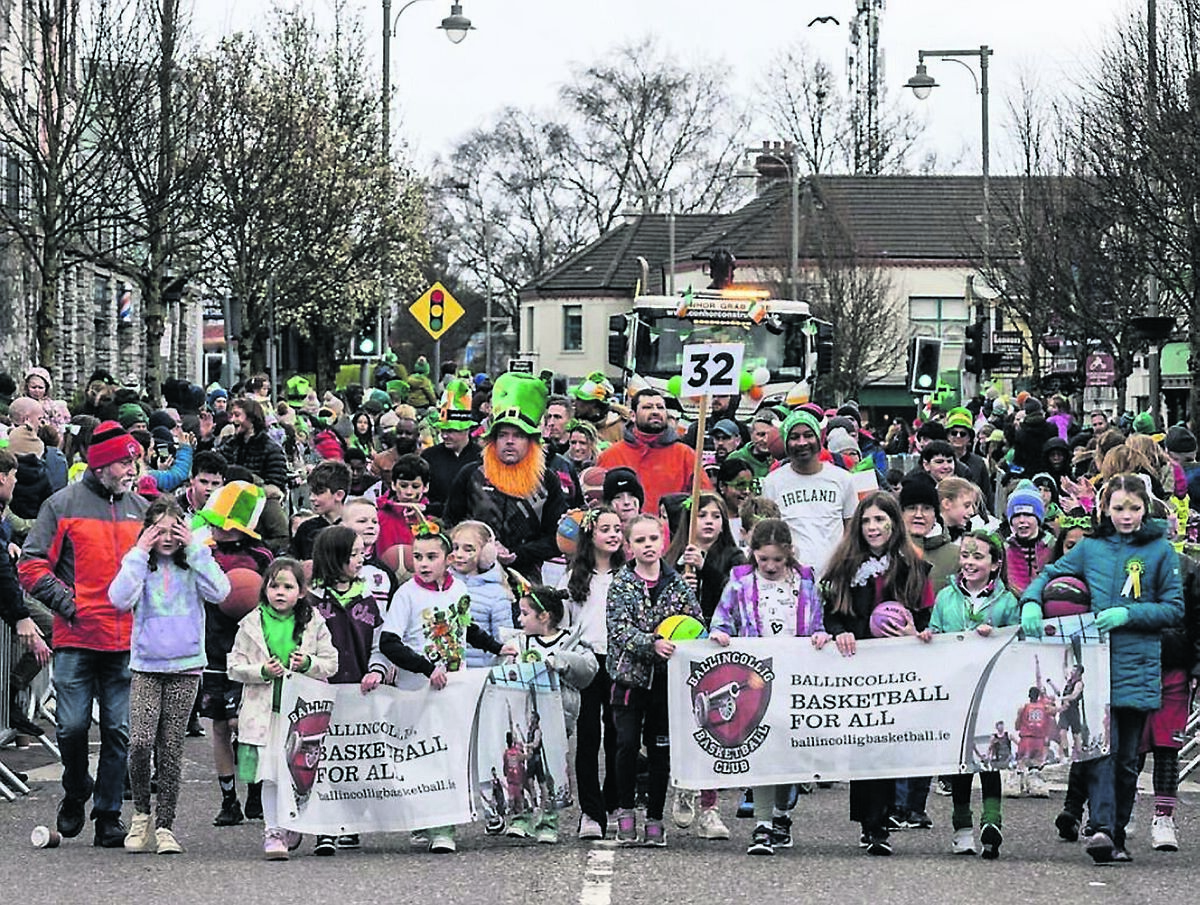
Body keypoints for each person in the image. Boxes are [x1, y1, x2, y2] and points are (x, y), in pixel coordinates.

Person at [1021, 473, 1184, 864]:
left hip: (1138, 664)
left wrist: (1128, 613)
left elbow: (1174, 608)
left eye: (1133, 508)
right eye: (1118, 508)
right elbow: (1048, 573)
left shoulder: (1160, 551)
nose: (1125, 516)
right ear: (1104, 509)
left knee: (1128, 758)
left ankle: (1117, 832)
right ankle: (1103, 830)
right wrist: (1030, 600)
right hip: (1094, 663)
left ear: (1146, 508)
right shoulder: (1091, 548)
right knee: (1099, 752)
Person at [18, 420, 149, 847]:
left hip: (127, 641)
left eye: (133, 461)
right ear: (101, 465)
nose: (132, 468)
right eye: (125, 461)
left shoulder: (141, 509)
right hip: (76, 638)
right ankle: (76, 790)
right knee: (72, 728)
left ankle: (107, 814)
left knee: (118, 731)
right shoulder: (61, 505)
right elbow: (32, 566)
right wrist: (70, 605)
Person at [372, 519, 515, 853]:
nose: (423, 564)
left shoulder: (458, 590)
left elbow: (467, 629)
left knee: (449, 754)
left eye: (431, 557)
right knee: (421, 757)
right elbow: (390, 643)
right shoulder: (406, 595)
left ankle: (443, 827)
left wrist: (497, 647)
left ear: (447, 560)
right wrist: (426, 669)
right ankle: (424, 821)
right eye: (418, 557)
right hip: (417, 689)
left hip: (452, 688)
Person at [108, 497, 231, 855]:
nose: (166, 537)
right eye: (158, 529)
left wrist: (195, 549)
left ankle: (165, 825)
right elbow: (118, 598)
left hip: (186, 666)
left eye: (173, 529)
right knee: (141, 741)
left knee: (171, 748)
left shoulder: (194, 563)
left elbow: (221, 592)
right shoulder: (140, 566)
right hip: (147, 666)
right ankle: (142, 813)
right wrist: (137, 552)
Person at [709, 518, 830, 856]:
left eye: (778, 559)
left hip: (797, 674)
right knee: (763, 750)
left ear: (789, 554)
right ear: (753, 555)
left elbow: (816, 621)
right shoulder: (740, 582)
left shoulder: (805, 581)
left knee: (789, 750)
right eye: (764, 560)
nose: (771, 566)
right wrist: (720, 633)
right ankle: (762, 825)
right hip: (756, 677)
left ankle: (781, 815)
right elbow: (722, 617)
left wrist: (819, 635)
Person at [821, 491, 933, 856]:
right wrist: (841, 632)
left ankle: (882, 820)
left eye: (880, 520)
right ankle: (870, 822)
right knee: (864, 741)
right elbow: (832, 613)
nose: (873, 527)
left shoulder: (915, 566)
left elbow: (927, 615)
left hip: (898, 664)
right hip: (858, 663)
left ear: (893, 524)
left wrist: (913, 630)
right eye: (866, 520)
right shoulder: (845, 566)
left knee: (888, 741)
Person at [226, 559, 338, 860]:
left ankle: (294, 821)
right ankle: (273, 832)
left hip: (302, 715)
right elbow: (234, 666)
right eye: (274, 585)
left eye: (288, 586)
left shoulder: (314, 621)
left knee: (299, 772)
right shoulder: (250, 623)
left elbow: (331, 661)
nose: (280, 592)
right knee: (271, 773)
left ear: (301, 592)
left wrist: (309, 664)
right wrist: (261, 670)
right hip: (266, 714)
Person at [607, 513, 701, 848]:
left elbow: (694, 623)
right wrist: (651, 643)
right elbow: (618, 629)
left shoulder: (677, 583)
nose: (648, 546)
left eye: (653, 539)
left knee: (661, 749)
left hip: (666, 681)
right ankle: (625, 810)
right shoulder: (621, 583)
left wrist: (694, 639)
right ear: (629, 547)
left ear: (663, 542)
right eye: (640, 541)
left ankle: (656, 817)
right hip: (631, 679)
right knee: (627, 745)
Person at [928, 529, 1019, 858]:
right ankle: (962, 826)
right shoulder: (945, 597)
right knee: (961, 763)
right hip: (956, 693)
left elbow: (1018, 641)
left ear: (995, 565)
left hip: (993, 691)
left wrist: (996, 635)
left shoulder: (1008, 601)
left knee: (991, 758)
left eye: (977, 557)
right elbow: (936, 631)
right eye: (965, 555)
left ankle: (991, 823)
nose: (968, 562)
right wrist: (929, 637)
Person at [194, 480, 274, 827]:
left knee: (247, 723)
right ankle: (229, 799)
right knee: (220, 727)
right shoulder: (201, 552)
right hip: (212, 649)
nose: (214, 525)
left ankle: (254, 789)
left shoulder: (262, 557)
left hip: (252, 651)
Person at [304, 525, 384, 854]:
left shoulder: (367, 598)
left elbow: (380, 641)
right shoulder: (309, 601)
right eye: (353, 554)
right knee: (323, 759)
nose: (360, 559)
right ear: (333, 558)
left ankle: (352, 821)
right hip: (323, 693)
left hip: (358, 691)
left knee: (356, 758)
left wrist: (377, 670)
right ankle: (325, 827)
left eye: (362, 552)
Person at [446, 372, 567, 578]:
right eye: (503, 435)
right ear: (493, 440)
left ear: (531, 442)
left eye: (518, 435)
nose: (509, 441)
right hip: (470, 576)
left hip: (525, 577)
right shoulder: (471, 474)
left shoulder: (547, 481)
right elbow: (450, 523)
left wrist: (517, 554)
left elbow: (555, 539)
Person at [506, 581, 598, 844]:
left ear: (544, 616)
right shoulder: (519, 643)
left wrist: (561, 662)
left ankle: (549, 821)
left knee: (551, 769)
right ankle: (520, 817)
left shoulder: (571, 641)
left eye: (525, 613)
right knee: (520, 769)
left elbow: (588, 670)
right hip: (522, 720)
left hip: (558, 718)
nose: (519, 618)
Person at [561, 506, 625, 839]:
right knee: (588, 736)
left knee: (618, 734)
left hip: (621, 660)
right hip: (586, 662)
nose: (613, 534)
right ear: (591, 534)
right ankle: (590, 812)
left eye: (618, 528)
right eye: (605, 529)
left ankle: (612, 803)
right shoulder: (574, 576)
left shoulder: (629, 575)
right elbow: (563, 620)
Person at [761, 409, 857, 577]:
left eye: (808, 435)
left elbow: (851, 529)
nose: (802, 442)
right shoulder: (772, 482)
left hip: (835, 578)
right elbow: (769, 535)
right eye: (794, 437)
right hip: (789, 579)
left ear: (818, 439)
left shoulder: (843, 479)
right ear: (785, 442)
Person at [597, 388, 710, 512]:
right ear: (632, 415)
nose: (655, 411)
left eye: (660, 407)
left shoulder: (686, 455)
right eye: (648, 407)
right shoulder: (610, 456)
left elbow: (705, 499)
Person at [450, 520, 514, 668]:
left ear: (487, 553)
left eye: (468, 549)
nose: (459, 554)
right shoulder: (441, 586)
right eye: (455, 548)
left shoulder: (497, 594)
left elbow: (504, 640)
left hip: (478, 676)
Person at [215, 398, 289, 492]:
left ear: (252, 418)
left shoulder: (272, 450)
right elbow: (213, 467)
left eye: (237, 415)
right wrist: (206, 438)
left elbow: (276, 488)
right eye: (232, 415)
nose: (232, 420)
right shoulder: (230, 444)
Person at [290, 460, 351, 560]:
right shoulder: (306, 529)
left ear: (339, 495)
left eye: (318, 493)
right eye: (311, 493)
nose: (311, 498)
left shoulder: (353, 526)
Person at [1003, 480, 1054, 596]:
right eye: (1016, 516)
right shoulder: (1004, 549)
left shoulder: (1052, 545)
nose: (1021, 520)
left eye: (1027, 515)